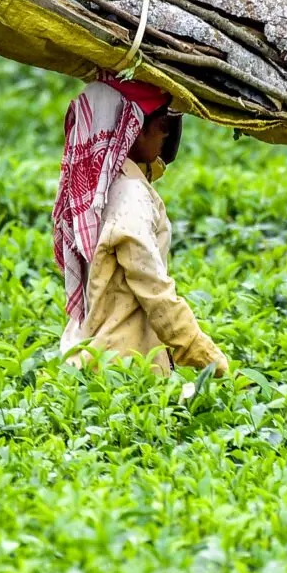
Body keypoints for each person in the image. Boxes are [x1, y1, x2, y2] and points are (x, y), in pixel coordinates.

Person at [52, 77, 230, 376]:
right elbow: (155, 290)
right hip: (123, 369)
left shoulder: (96, 186)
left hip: (86, 355)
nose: (167, 134)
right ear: (131, 126)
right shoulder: (129, 194)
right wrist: (211, 360)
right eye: (162, 123)